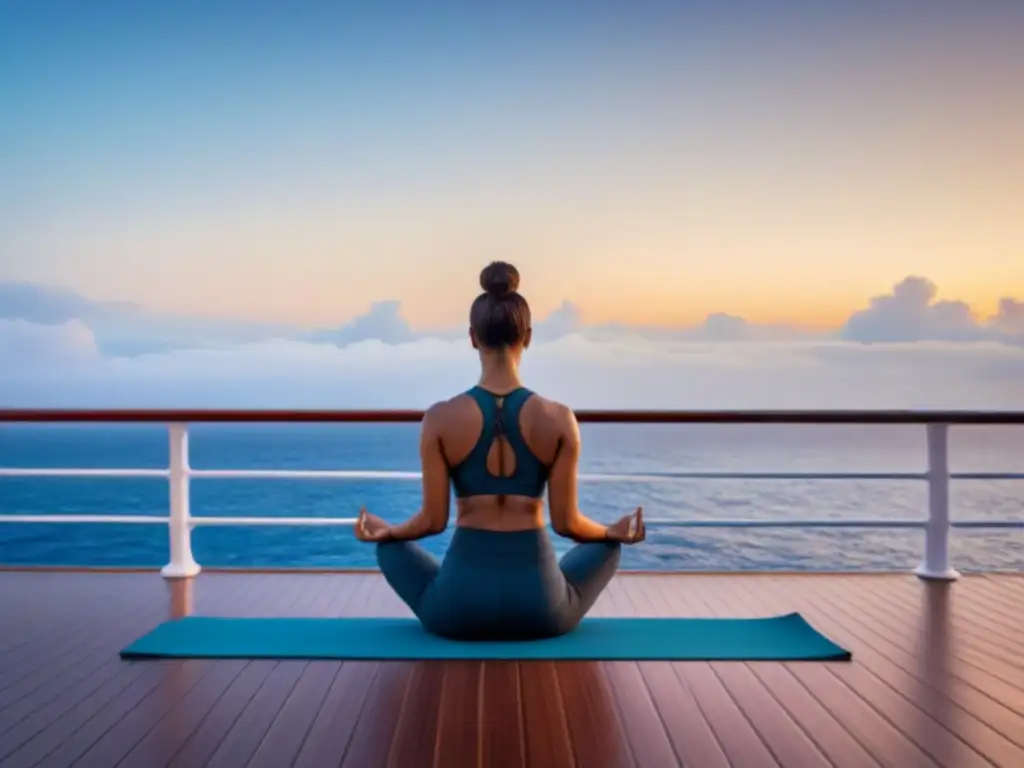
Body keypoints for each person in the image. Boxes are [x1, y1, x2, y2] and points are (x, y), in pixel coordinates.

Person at [354, 261, 645, 640]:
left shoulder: (440, 418)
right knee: (609, 548)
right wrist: (612, 531)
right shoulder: (559, 418)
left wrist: (389, 532)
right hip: (541, 611)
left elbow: (432, 522)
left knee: (388, 549)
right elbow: (568, 525)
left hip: (458, 611)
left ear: (473, 337)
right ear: (528, 336)